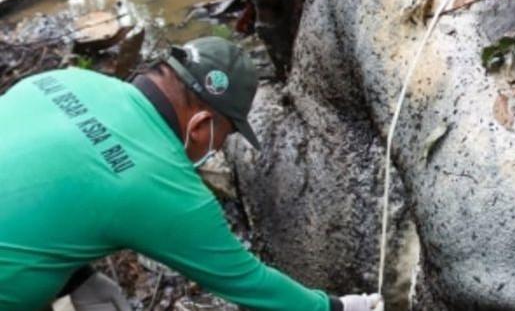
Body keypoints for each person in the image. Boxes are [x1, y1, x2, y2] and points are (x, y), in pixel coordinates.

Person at [0, 37, 382, 311]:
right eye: (223, 138)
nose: (215, 150)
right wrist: (338, 307)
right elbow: (248, 283)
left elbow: (31, 191)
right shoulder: (165, 188)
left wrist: (75, 278)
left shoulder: (64, 81)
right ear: (200, 126)